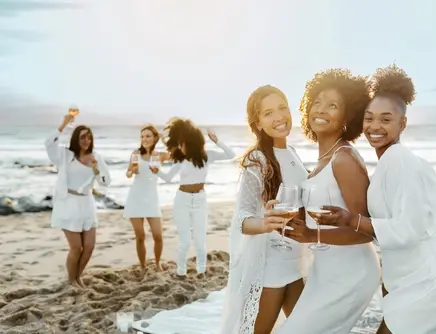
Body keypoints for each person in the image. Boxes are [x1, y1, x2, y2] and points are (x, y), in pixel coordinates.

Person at [316, 64, 436, 334]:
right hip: (408, 278)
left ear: (402, 123)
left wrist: (351, 220)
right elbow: (392, 228)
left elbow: (408, 229)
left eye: (385, 119)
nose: (375, 126)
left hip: (428, 280)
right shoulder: (387, 162)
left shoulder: (399, 161)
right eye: (369, 118)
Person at [277, 69, 381, 334]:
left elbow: (365, 232)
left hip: (351, 273)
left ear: (347, 117)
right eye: (317, 102)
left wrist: (312, 234)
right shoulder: (323, 160)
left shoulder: (344, 159)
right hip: (325, 271)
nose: (320, 109)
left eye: (332, 105)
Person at [220, 85, 309, 334]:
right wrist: (265, 223)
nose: (279, 116)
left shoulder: (292, 153)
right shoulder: (257, 160)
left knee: (307, 328)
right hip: (270, 266)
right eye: (268, 113)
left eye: (282, 108)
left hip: (296, 262)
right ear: (257, 123)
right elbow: (241, 219)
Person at [157, 118, 236, 276]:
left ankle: (201, 271)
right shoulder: (180, 159)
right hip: (182, 201)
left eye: (183, 143)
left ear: (191, 143)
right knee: (184, 241)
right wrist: (156, 170)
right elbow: (167, 178)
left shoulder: (208, 156)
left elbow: (231, 154)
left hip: (200, 201)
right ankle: (181, 272)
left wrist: (216, 141)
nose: (180, 146)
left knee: (200, 242)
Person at [45, 112, 111, 289]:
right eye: (82, 137)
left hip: (87, 204)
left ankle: (78, 276)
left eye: (89, 137)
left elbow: (105, 182)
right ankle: (72, 280)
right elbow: (49, 144)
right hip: (68, 204)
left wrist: (96, 168)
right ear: (76, 138)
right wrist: (63, 123)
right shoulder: (65, 156)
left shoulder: (96, 156)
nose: (86, 140)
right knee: (76, 248)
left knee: (89, 247)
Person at [124, 124, 169, 273]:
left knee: (158, 235)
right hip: (135, 198)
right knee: (140, 236)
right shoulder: (136, 153)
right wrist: (132, 171)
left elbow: (178, 153)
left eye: (148, 136)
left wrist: (164, 139)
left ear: (154, 138)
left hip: (151, 199)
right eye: (142, 136)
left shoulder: (159, 155)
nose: (145, 139)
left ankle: (157, 263)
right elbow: (128, 173)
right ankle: (143, 266)